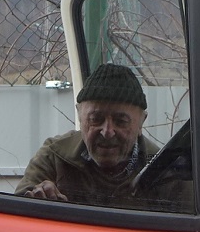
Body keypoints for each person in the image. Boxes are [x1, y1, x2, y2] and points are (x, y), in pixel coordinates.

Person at [16, 63, 169, 208]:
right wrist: (39, 197)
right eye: (96, 119)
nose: (107, 132)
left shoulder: (163, 170)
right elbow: (18, 214)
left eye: (120, 121)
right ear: (80, 116)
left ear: (141, 122)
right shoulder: (54, 156)